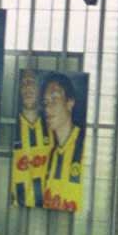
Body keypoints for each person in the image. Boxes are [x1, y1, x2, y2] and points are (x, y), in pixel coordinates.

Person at [40, 72, 84, 212]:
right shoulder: (50, 152)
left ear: (69, 103)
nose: (47, 108)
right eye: (45, 102)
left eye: (54, 99)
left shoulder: (84, 147)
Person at [10, 68, 49, 207]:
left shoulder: (51, 127)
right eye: (23, 84)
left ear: (39, 91)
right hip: (17, 201)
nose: (27, 87)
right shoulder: (12, 127)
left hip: (46, 203)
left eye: (32, 83)